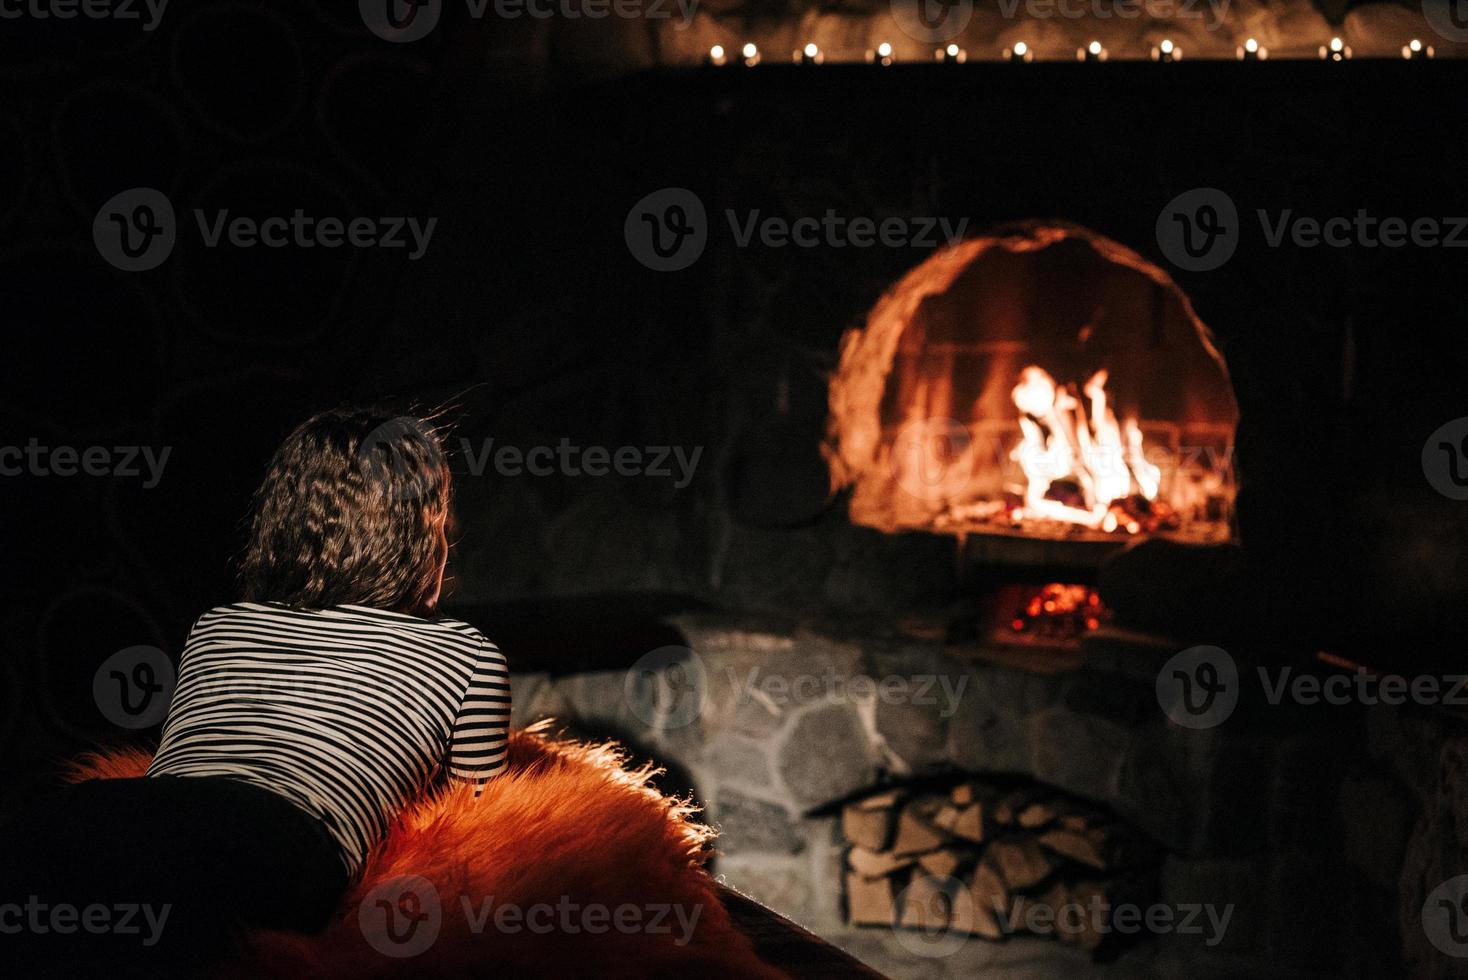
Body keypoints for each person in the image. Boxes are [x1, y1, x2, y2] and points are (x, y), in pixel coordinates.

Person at [0, 408, 511, 976]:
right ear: (421, 531)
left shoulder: (218, 624)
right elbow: (471, 822)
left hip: (99, 813)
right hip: (275, 838)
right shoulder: (467, 653)